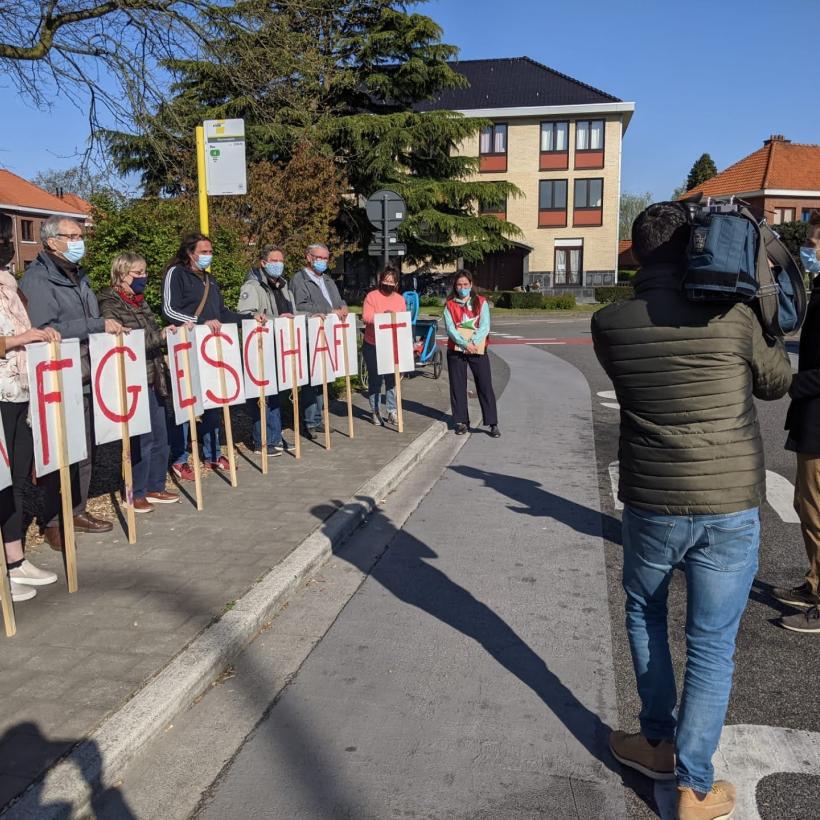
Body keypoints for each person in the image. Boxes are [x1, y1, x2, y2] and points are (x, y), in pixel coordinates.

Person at [592, 202, 792, 820]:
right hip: (728, 504)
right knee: (710, 644)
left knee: (645, 613)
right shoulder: (733, 317)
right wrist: (764, 307)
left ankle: (655, 741)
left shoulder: (609, 323)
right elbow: (776, 382)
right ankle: (694, 787)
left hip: (651, 500)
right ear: (699, 247)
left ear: (638, 252)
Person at [20, 214, 121, 549]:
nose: (80, 241)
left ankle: (76, 509)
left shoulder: (78, 276)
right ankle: (52, 521)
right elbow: (45, 329)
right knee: (59, 453)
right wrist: (95, 325)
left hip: (87, 373)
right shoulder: (39, 281)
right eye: (73, 236)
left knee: (84, 451)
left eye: (81, 235)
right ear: (52, 241)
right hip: (59, 378)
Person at [162, 233, 263, 479]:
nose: (208, 256)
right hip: (186, 346)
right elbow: (169, 309)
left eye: (210, 251)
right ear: (190, 252)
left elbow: (222, 313)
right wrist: (199, 322)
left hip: (211, 350)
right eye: (204, 251)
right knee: (186, 405)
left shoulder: (210, 280)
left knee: (214, 404)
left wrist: (249, 319)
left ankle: (212, 453)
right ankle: (179, 458)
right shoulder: (175, 274)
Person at [0, 214, 59, 601]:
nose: (9, 245)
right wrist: (21, 337)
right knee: (1, 480)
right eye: (5, 238)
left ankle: (16, 559)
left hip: (20, 388)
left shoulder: (9, 282)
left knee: (18, 478)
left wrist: (40, 335)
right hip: (1, 394)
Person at [98, 253, 180, 511]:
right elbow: (125, 343)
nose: (143, 277)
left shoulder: (140, 302)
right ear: (121, 274)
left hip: (153, 375)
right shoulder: (109, 302)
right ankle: (135, 491)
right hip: (132, 378)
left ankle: (155, 485)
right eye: (137, 273)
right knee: (141, 439)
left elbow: (148, 334)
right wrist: (161, 336)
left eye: (145, 272)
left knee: (160, 435)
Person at [779, 209, 820, 633]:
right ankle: (813, 582)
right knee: (806, 505)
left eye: (812, 245)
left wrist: (791, 382)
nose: (806, 252)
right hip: (812, 417)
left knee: (817, 507)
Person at [237, 244, 295, 455]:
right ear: (263, 263)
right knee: (262, 397)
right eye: (274, 261)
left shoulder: (283, 286)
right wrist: (276, 320)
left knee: (276, 395)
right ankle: (262, 441)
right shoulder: (252, 287)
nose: (279, 265)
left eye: (281, 261)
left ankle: (275, 436)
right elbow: (247, 316)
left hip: (280, 346)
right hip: (260, 349)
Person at [290, 243, 348, 439]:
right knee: (310, 381)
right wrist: (329, 311)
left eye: (326, 258)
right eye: (319, 257)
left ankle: (317, 418)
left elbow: (338, 301)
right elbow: (300, 306)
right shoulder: (300, 280)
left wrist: (343, 307)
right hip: (310, 336)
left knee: (323, 378)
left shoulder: (328, 280)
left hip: (328, 335)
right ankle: (309, 422)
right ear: (309, 257)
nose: (323, 261)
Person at [443, 270, 500, 438]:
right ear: (455, 286)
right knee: (458, 386)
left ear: (471, 285)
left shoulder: (481, 302)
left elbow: (485, 325)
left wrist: (473, 343)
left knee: (484, 385)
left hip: (477, 349)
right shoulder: (449, 305)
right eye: (459, 285)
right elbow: (450, 328)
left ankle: (492, 422)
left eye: (465, 285)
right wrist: (464, 343)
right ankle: (461, 421)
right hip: (457, 349)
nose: (462, 288)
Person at [361, 266, 405, 425]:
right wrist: (383, 318)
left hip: (392, 345)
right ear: (380, 281)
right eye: (385, 280)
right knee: (375, 380)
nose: (388, 283)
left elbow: (402, 321)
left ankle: (392, 410)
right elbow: (366, 317)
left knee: (392, 379)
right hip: (373, 344)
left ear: (396, 283)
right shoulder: (372, 296)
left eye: (391, 281)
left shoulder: (400, 299)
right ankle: (375, 411)